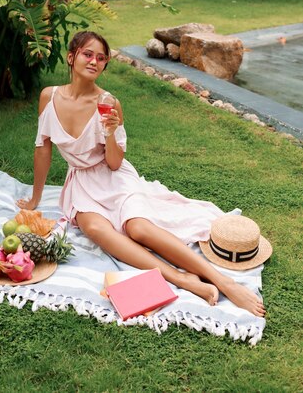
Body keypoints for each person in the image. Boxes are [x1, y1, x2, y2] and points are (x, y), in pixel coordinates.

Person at [19, 31, 265, 317]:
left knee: (138, 228)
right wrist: (36, 198)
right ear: (71, 57)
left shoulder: (109, 103)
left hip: (115, 177)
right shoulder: (48, 97)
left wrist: (110, 132)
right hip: (81, 183)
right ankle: (180, 278)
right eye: (88, 54)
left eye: (101, 58)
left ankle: (223, 280)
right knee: (96, 229)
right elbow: (43, 149)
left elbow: (113, 163)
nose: (94, 61)